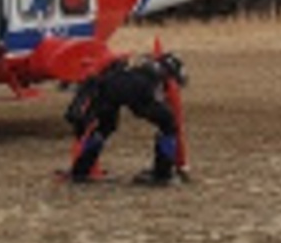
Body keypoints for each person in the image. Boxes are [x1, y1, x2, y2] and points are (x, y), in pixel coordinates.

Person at [63, 52, 188, 186]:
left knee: (104, 128)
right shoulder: (162, 75)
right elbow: (173, 114)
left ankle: (81, 171)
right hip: (138, 88)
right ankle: (162, 174)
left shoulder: (139, 62)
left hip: (110, 86)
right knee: (168, 125)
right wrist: (181, 164)